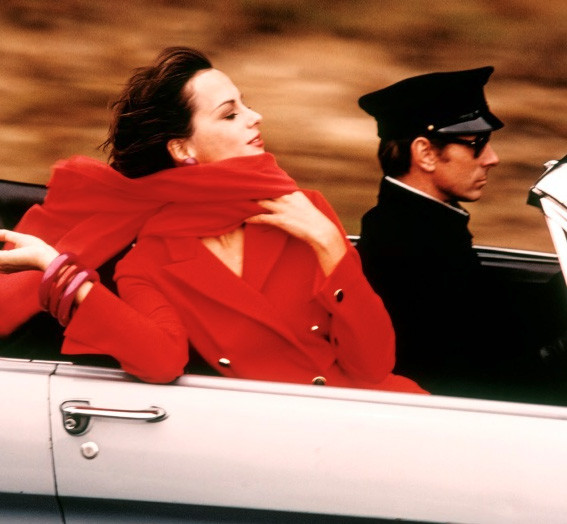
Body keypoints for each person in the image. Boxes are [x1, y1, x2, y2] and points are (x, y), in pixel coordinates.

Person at [0, 47, 425, 394]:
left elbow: (372, 366)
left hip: (377, 413)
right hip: (283, 436)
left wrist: (331, 245)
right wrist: (54, 266)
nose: (255, 116)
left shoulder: (304, 209)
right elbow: (160, 362)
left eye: (246, 104)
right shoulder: (149, 262)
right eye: (229, 113)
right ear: (182, 150)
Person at [355, 66, 567, 399]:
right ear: (425, 153)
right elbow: (472, 365)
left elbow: (490, 311)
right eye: (477, 144)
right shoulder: (410, 244)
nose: (492, 159)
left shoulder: (425, 226)